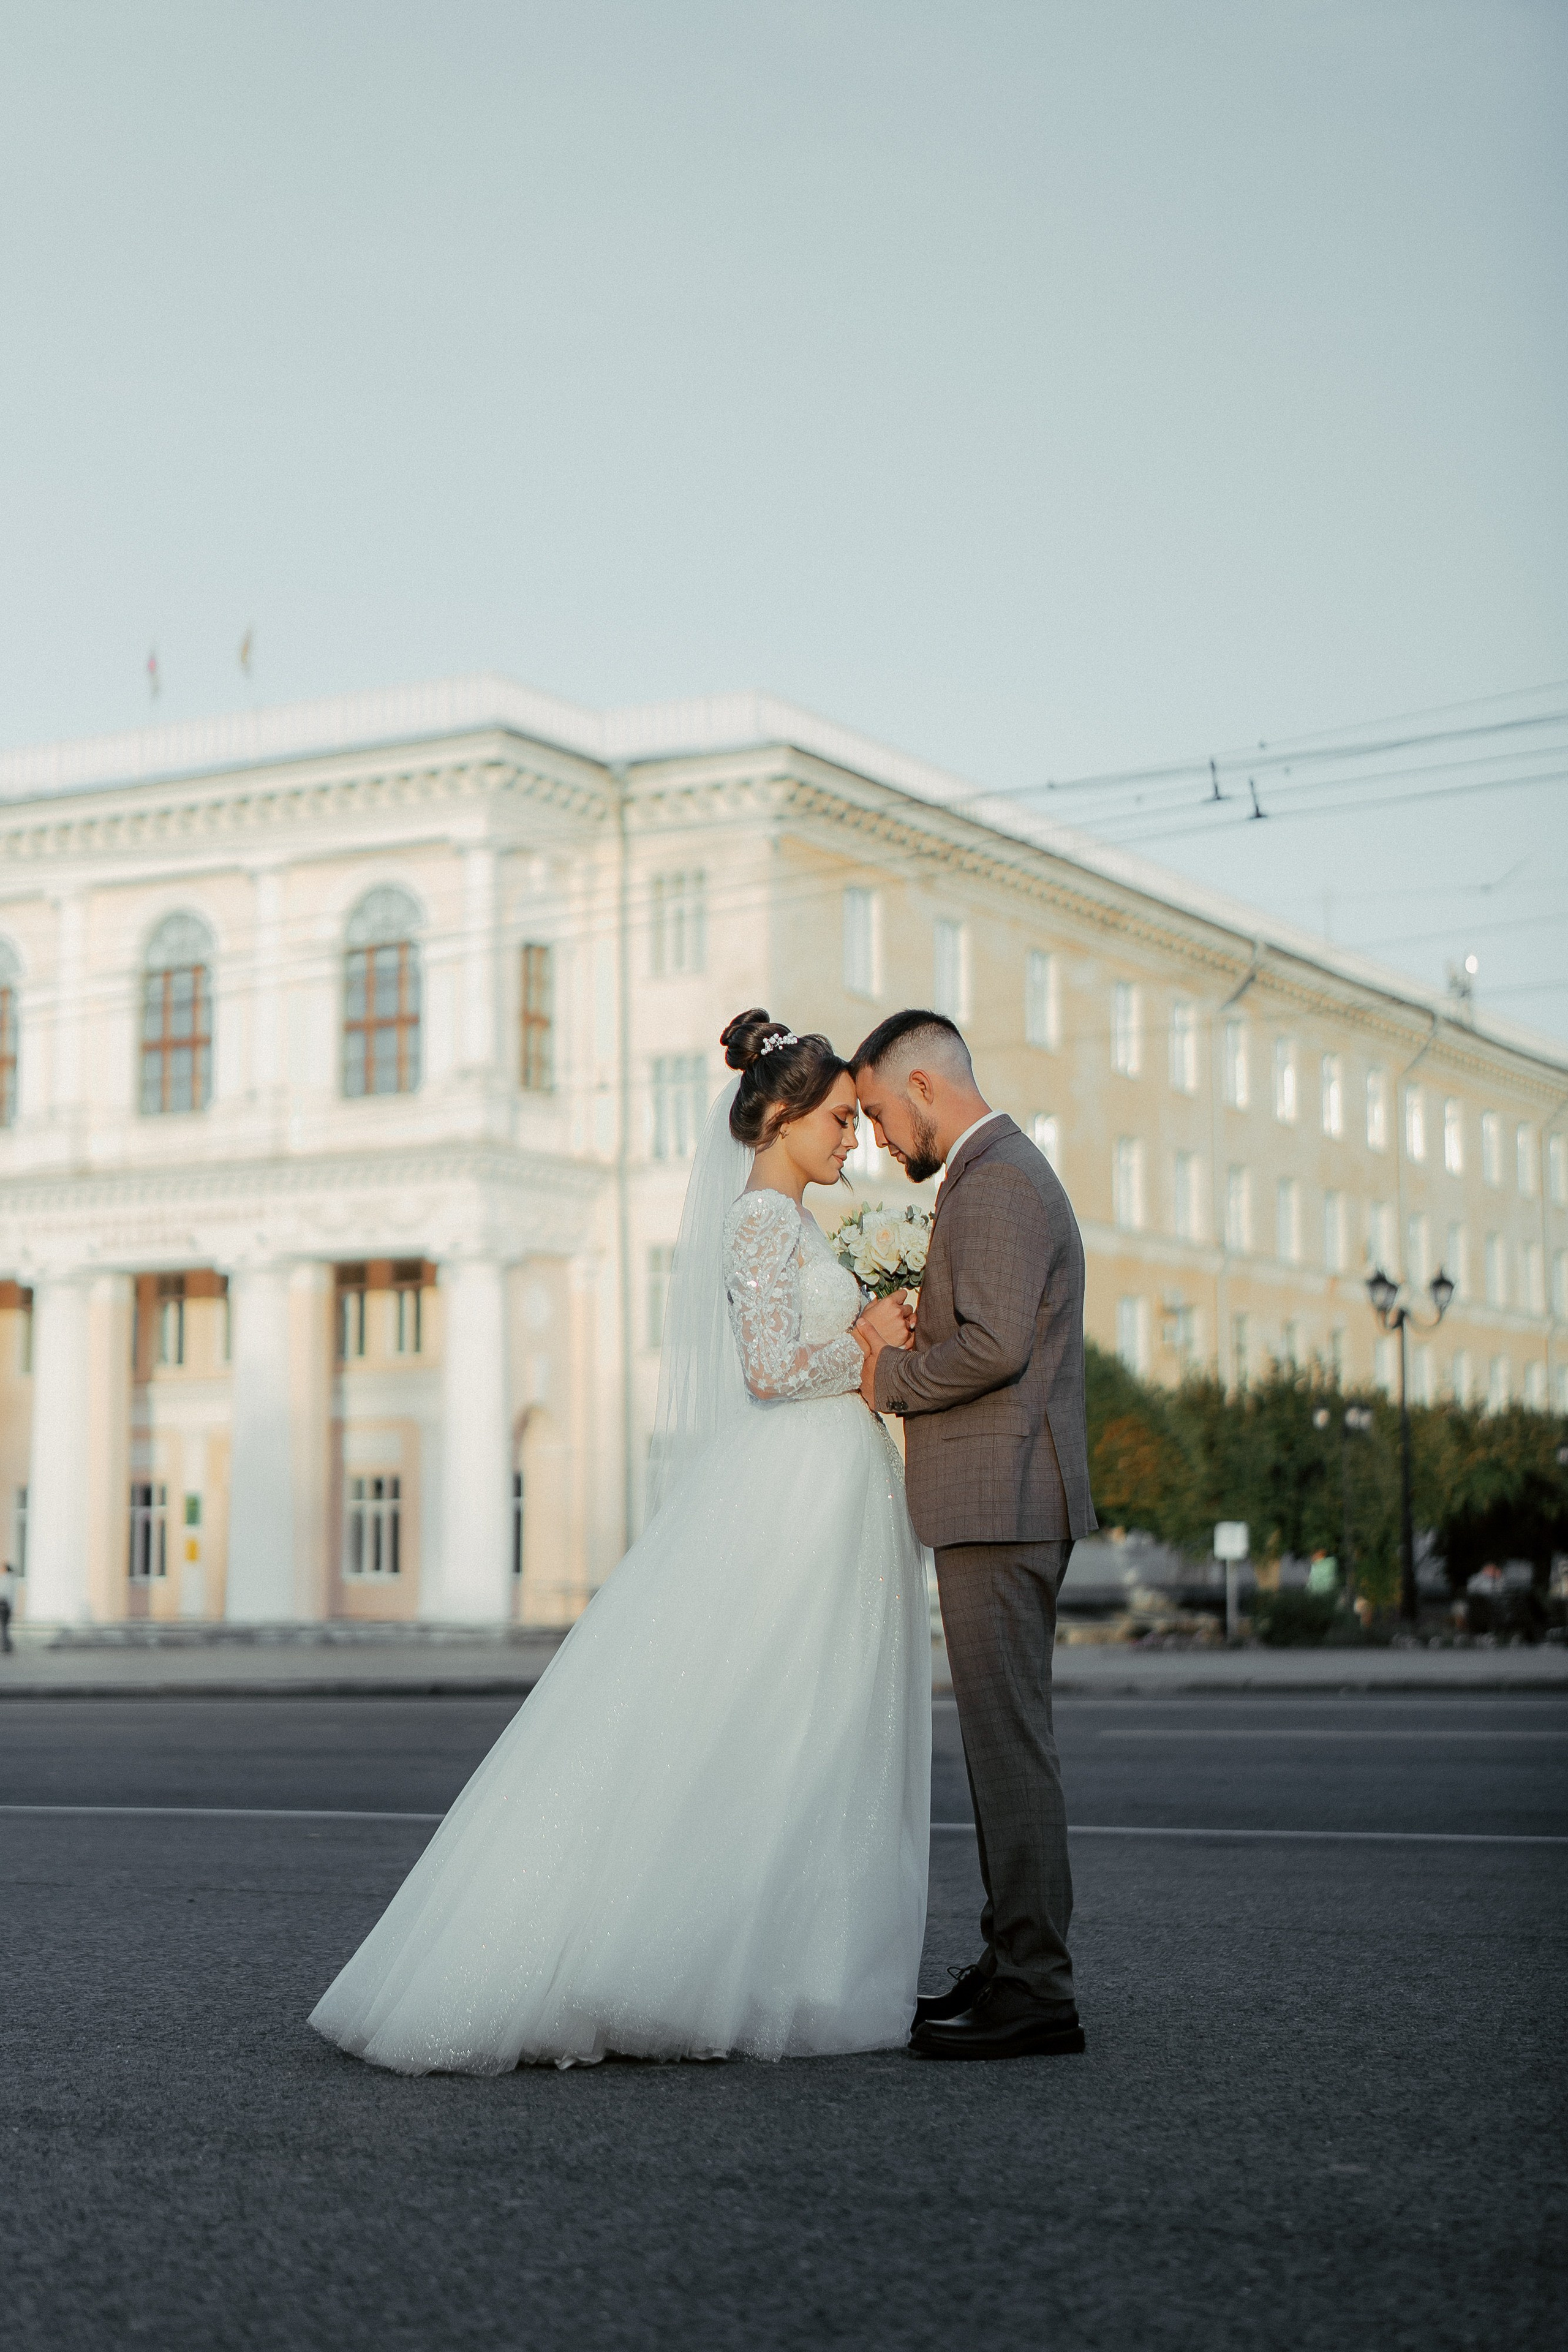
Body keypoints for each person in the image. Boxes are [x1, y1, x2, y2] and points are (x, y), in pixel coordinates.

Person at [309, 1011, 929, 2074]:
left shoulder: (793, 1221)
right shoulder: (762, 1223)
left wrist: (869, 1336)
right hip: (796, 1486)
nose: (852, 1140)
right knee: (781, 1718)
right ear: (779, 1118)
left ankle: (795, 1956)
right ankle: (722, 1957)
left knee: (819, 1725)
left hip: (829, 1484)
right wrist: (869, 1341)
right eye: (835, 1120)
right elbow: (771, 1373)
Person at [851, 1009, 1096, 2061]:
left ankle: (1036, 1989)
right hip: (999, 1496)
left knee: (1008, 1755)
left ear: (919, 1085)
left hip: (1003, 1500)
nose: (874, 1140)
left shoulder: (994, 1178)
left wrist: (887, 1376)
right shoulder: (995, 1172)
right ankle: (1011, 1962)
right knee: (1005, 1750)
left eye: (873, 1114)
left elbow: (994, 1346)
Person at [0, 1559, 15, 1654]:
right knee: (5, 1626)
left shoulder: (4, 1579)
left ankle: (7, 1644)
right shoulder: (13, 1580)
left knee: (4, 1626)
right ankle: (8, 1643)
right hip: (7, 1605)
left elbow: (3, 1593)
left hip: (3, 1604)